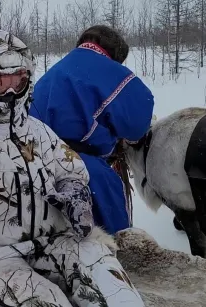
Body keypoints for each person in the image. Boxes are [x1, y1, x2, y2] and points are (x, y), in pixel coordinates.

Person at [0, 28, 145, 307]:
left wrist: (74, 196)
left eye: (19, 80)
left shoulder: (38, 132)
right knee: (47, 302)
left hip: (52, 241)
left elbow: (70, 170)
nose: (11, 92)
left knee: (113, 286)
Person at [30, 25, 155, 235]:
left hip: (36, 161)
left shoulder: (57, 69)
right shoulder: (108, 69)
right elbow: (137, 124)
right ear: (115, 54)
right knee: (111, 228)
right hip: (80, 164)